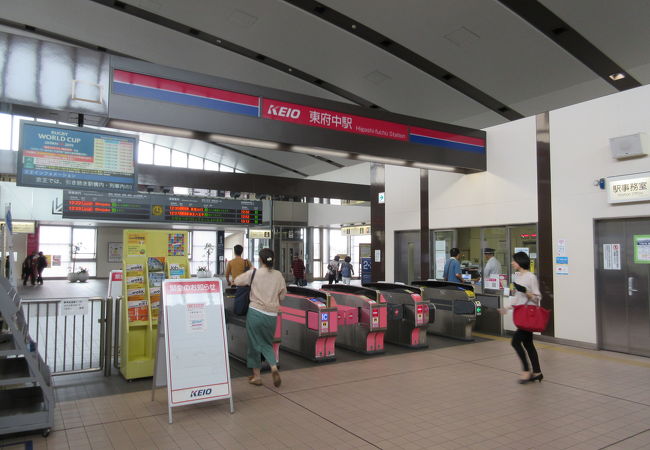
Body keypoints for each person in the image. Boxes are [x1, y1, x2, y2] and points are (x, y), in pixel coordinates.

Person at [233, 248, 285, 388]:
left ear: (260, 260)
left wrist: (249, 271)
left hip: (255, 312)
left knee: (254, 344)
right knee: (267, 343)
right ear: (272, 260)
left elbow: (236, 281)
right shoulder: (278, 275)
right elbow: (282, 296)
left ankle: (257, 377)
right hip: (272, 315)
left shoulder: (254, 273)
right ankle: (273, 366)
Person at [499, 251, 543, 384]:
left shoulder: (531, 277)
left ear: (520, 262)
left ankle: (526, 371)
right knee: (528, 344)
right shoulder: (518, 276)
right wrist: (507, 307)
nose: (512, 263)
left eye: (514, 261)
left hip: (528, 315)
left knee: (515, 342)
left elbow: (537, 298)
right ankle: (537, 372)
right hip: (522, 314)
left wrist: (526, 292)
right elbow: (518, 298)